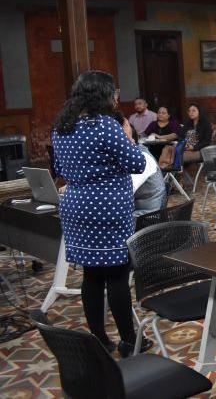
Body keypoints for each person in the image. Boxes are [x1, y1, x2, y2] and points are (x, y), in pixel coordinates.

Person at [51, 71, 151, 357]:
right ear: (103, 95)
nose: (116, 97)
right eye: (113, 92)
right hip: (107, 207)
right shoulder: (106, 125)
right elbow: (136, 164)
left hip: (75, 206)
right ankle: (130, 340)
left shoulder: (62, 126)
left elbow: (59, 168)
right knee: (117, 276)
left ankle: (99, 339)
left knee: (91, 276)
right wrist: (129, 137)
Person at [114, 112, 166, 216]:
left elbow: (123, 193)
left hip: (145, 220)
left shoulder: (141, 157)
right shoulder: (127, 155)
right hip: (135, 214)